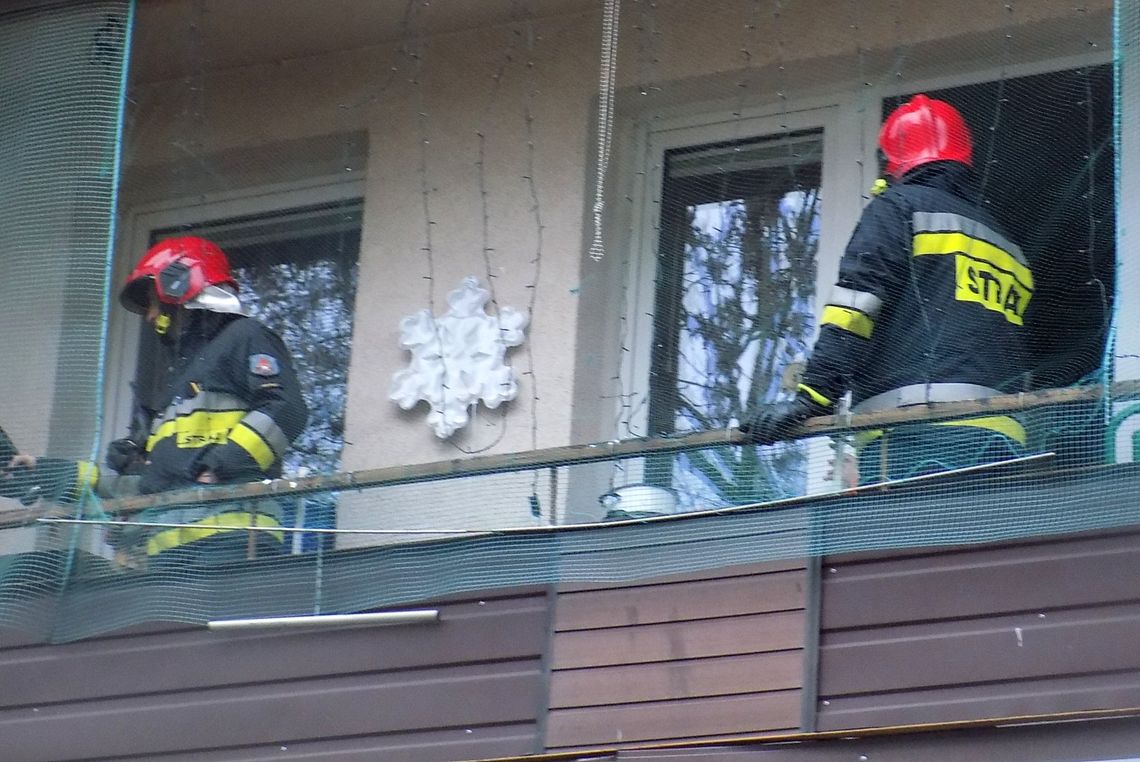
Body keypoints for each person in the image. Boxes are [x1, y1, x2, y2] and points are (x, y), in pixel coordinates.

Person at [742, 94, 1033, 484]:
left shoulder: (898, 208)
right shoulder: (1007, 245)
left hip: (915, 433)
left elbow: (856, 306)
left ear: (894, 162)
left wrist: (811, 397)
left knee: (914, 543)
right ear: (963, 156)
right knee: (980, 546)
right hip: (1004, 442)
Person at [3, 236, 309, 566]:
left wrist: (219, 466)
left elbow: (285, 408)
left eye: (151, 303)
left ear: (177, 287)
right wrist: (46, 472)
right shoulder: (176, 384)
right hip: (170, 558)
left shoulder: (243, 337)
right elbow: (152, 485)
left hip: (230, 541)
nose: (150, 317)